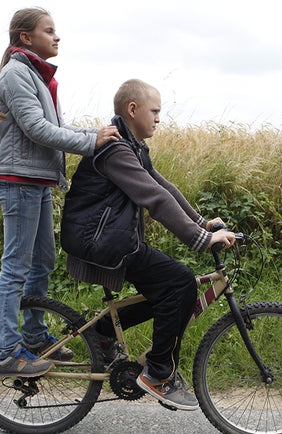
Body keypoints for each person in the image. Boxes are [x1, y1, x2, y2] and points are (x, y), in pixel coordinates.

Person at [60, 79, 237, 410]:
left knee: (171, 290)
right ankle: (158, 373)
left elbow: (162, 185)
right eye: (154, 111)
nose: (158, 118)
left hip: (111, 239)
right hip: (101, 240)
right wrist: (202, 239)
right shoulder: (115, 149)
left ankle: (102, 334)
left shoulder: (132, 146)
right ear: (133, 109)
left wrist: (202, 223)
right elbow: (153, 197)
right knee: (180, 284)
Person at [0, 7, 120, 377]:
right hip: (18, 182)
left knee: (42, 261)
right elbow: (37, 130)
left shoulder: (37, 76)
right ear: (26, 38)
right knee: (15, 267)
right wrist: (91, 142)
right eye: (49, 30)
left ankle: (34, 335)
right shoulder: (17, 74)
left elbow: (56, 126)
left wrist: (93, 133)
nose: (56, 36)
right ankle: (7, 351)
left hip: (36, 181)